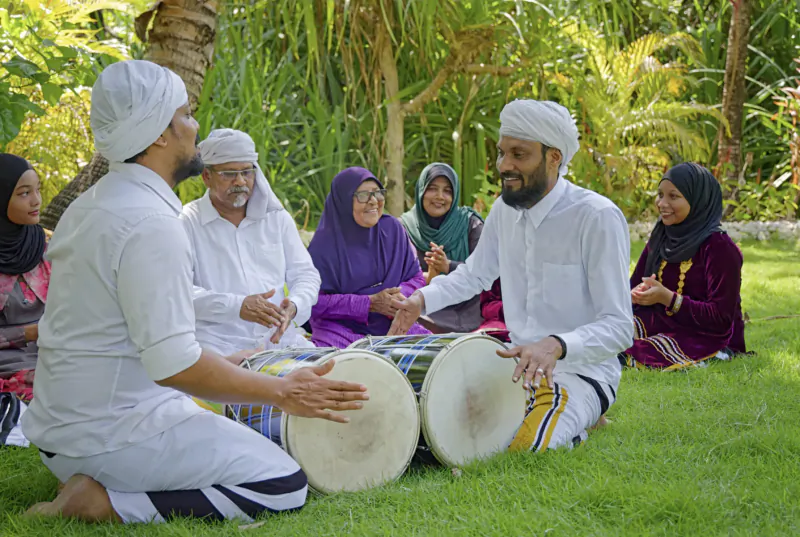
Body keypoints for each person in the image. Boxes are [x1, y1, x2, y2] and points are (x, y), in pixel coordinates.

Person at [21, 60, 368, 525]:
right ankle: (102, 503)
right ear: (159, 134)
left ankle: (94, 478)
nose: (195, 125)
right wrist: (283, 392)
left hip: (62, 430)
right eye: (186, 115)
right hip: (110, 433)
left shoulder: (95, 203)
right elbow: (173, 365)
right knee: (283, 484)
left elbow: (117, 334)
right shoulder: (152, 223)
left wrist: (227, 362)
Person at [390, 99, 633, 451]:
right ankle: (573, 417)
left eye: (519, 155)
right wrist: (420, 300)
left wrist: (557, 345)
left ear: (554, 158)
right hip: (514, 362)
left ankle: (585, 412)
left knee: (521, 446)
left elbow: (620, 327)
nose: (505, 165)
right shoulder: (505, 209)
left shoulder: (596, 217)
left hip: (581, 370)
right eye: (503, 153)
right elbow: (474, 275)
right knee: (435, 420)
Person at [180, 129, 320, 355]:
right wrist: (237, 306)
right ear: (207, 176)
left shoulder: (276, 218)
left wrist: (294, 305)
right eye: (229, 174)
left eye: (247, 172)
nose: (240, 181)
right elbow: (178, 291)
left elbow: (306, 274)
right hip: (216, 347)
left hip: (278, 341)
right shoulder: (187, 222)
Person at [621, 163, 746, 370]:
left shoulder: (720, 248)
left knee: (634, 353)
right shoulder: (662, 237)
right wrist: (636, 294)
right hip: (658, 322)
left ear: (698, 201)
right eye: (660, 195)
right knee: (609, 335)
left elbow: (721, 319)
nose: (662, 203)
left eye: (673, 196)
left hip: (707, 335)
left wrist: (668, 298)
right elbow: (633, 285)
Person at [307, 167, 429, 348]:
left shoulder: (393, 230)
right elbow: (313, 302)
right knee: (347, 367)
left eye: (378, 193)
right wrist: (368, 303)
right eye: (363, 195)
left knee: (434, 359)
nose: (373, 201)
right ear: (344, 201)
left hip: (393, 323)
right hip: (341, 329)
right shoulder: (324, 245)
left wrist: (397, 299)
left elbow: (416, 277)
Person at [400, 163, 485, 333]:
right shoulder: (402, 229)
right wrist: (428, 277)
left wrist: (448, 266)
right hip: (419, 310)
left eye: (447, 191)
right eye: (432, 188)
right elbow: (392, 277)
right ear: (421, 190)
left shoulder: (471, 224)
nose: (440, 196)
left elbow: (487, 273)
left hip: (466, 310)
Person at [0, 154, 49, 402]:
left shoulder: (42, 246)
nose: (36, 200)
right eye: (23, 193)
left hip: (53, 352)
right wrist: (29, 333)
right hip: (9, 363)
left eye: (37, 190)